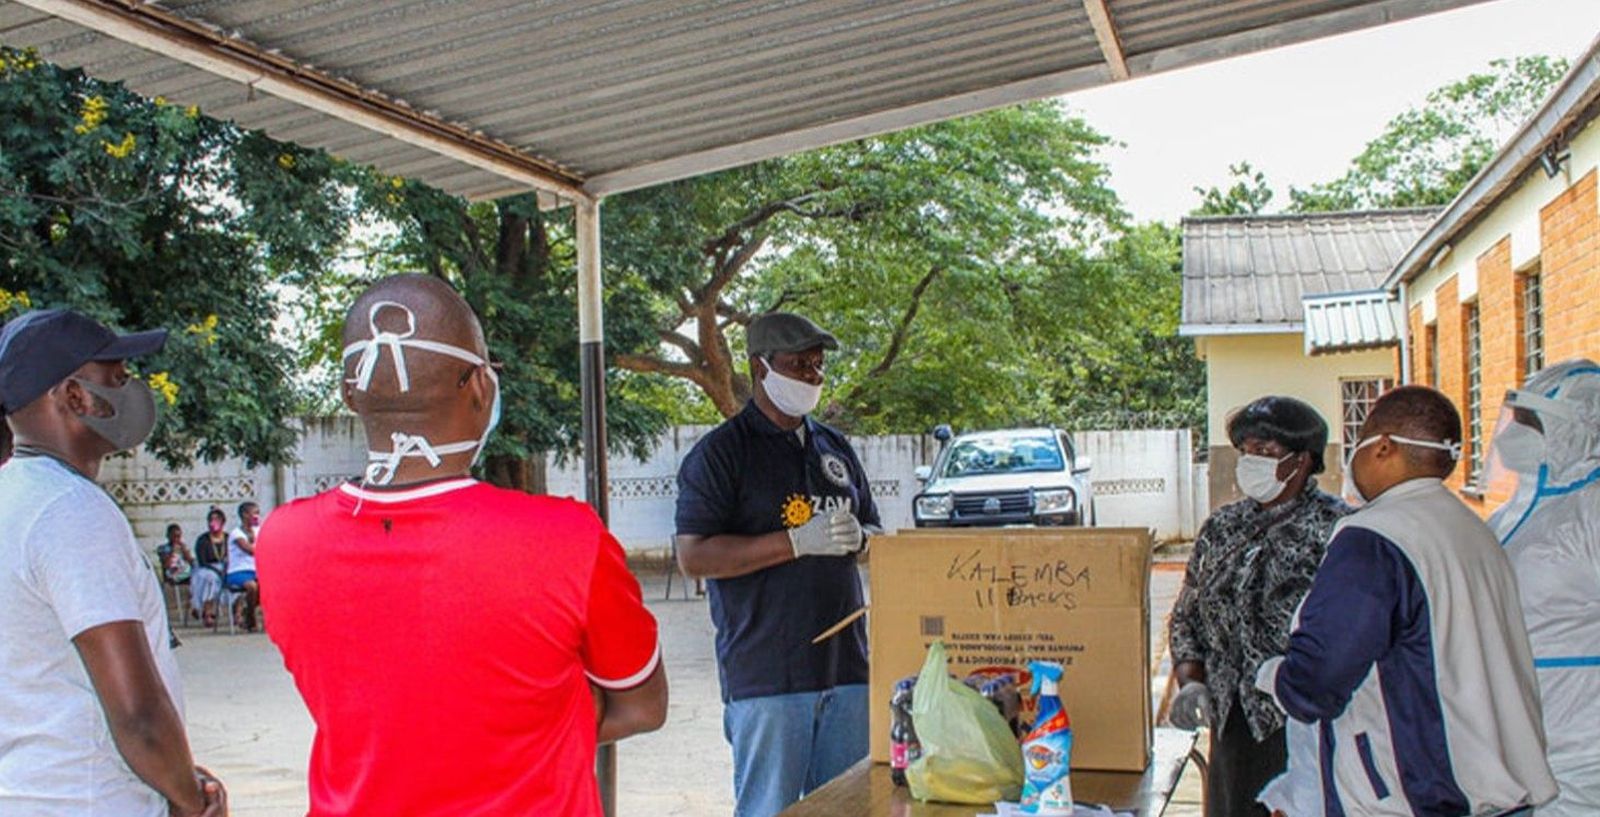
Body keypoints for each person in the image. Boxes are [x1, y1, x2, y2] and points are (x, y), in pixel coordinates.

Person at [257, 274, 666, 816]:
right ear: (479, 387)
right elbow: (643, 705)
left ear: (348, 392)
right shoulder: (566, 538)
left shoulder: (282, 541)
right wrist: (544, 715)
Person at [1255, 385, 1556, 817]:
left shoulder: (1375, 538)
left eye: (1357, 444)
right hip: (1491, 794)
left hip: (1416, 798)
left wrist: (1271, 674)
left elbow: (1315, 684)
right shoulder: (1473, 530)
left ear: (1382, 448)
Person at [0, 308, 225, 816]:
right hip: (90, 799)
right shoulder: (70, 512)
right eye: (118, 378)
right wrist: (190, 800)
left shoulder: (13, 498)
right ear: (75, 396)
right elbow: (137, 712)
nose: (131, 390)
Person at [675, 311, 879, 817]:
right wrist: (792, 542)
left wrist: (864, 540)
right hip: (769, 676)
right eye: (799, 365)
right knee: (772, 809)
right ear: (761, 367)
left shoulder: (835, 448)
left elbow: (875, 530)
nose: (812, 377)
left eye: (817, 366)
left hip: (848, 668)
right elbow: (693, 555)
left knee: (851, 807)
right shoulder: (722, 454)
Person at [1166, 396, 1350, 817]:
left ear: (1302, 461)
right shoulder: (1223, 527)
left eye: (1265, 453)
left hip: (1303, 725)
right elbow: (1187, 613)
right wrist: (1190, 678)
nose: (1251, 461)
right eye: (1246, 451)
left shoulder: (1338, 530)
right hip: (1231, 721)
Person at [1483, 360, 1600, 817]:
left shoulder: (1590, 511)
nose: (1514, 432)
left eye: (1530, 423)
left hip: (1580, 743)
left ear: (1571, 430)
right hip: (1514, 739)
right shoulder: (1514, 515)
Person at [226, 500, 260, 631]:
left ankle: (246, 609)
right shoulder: (236, 534)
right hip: (238, 572)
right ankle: (251, 618)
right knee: (252, 586)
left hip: (255, 570)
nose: (257, 516)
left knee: (268, 585)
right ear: (245, 515)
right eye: (254, 513)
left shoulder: (258, 530)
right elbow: (249, 550)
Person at [190, 507, 227, 627]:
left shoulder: (228, 538)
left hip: (224, 567)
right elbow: (202, 561)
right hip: (206, 568)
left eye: (217, 519)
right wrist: (216, 570)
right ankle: (208, 612)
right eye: (211, 519)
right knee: (210, 579)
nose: (213, 522)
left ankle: (237, 613)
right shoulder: (203, 540)